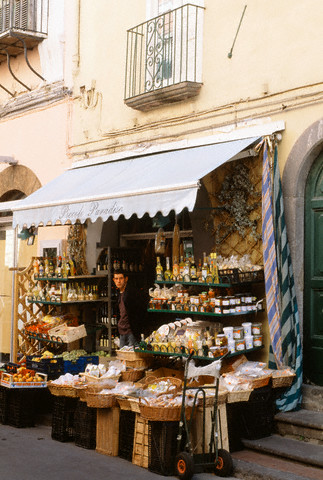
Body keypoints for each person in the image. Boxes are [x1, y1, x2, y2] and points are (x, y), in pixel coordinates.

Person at [113, 269, 145, 348]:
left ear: (126, 279)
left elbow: (139, 312)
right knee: (123, 357)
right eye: (116, 279)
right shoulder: (119, 294)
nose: (118, 281)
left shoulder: (132, 292)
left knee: (131, 356)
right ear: (113, 280)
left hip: (131, 331)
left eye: (121, 278)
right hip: (122, 331)